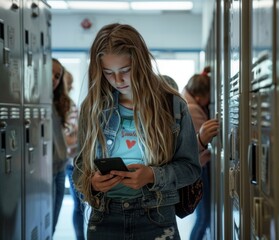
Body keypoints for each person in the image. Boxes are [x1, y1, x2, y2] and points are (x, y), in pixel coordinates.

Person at [72, 23, 201, 240]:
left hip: (157, 217)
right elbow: (78, 169)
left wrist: (152, 175)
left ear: (140, 63)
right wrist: (92, 184)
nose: (118, 80)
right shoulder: (92, 107)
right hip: (105, 217)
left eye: (125, 70)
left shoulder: (173, 105)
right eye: (108, 73)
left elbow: (190, 168)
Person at [182, 66, 219, 240]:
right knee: (203, 218)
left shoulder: (186, 103)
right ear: (200, 96)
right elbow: (203, 142)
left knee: (203, 217)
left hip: (198, 169)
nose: (208, 102)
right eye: (207, 98)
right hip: (200, 169)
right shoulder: (192, 109)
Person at [63, 70, 85, 240]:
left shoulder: (71, 105)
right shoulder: (58, 107)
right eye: (67, 81)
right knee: (78, 205)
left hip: (77, 161)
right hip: (70, 163)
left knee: (81, 205)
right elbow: (68, 140)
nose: (69, 86)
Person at [52, 58, 72, 235]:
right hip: (44, 172)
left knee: (52, 223)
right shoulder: (35, 102)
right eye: (49, 73)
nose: (53, 78)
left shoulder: (58, 102)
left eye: (57, 76)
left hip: (60, 168)